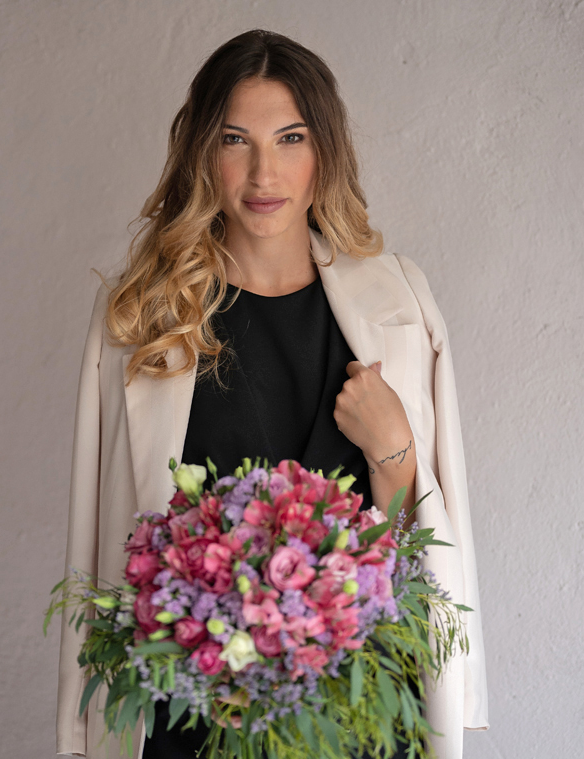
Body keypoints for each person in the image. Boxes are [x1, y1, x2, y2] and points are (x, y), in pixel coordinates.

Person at [56, 29, 488, 759]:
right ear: (204, 154)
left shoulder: (398, 302)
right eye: (236, 140)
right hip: (189, 715)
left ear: (325, 152)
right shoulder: (141, 316)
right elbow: (98, 538)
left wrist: (393, 451)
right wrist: (83, 717)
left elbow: (413, 551)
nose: (264, 172)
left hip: (357, 710)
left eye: (291, 138)